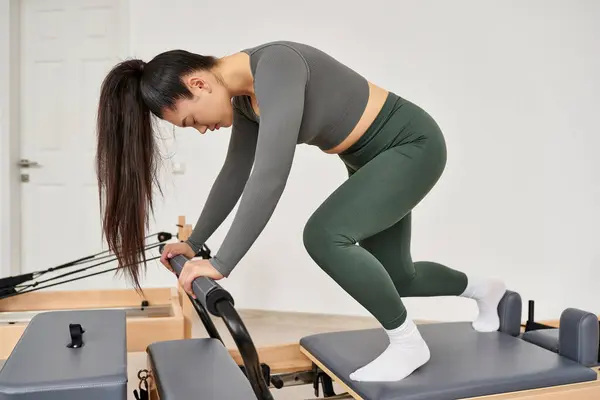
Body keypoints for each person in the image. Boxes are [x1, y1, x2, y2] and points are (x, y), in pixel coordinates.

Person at [96, 40, 506, 382]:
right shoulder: (243, 99)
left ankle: (407, 343)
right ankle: (486, 290)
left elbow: (271, 173)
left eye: (191, 120)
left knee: (325, 235)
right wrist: (194, 243)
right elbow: (234, 175)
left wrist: (221, 263)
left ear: (198, 83)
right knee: (397, 277)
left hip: (411, 146)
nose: (202, 129)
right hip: (372, 160)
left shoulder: (277, 65)